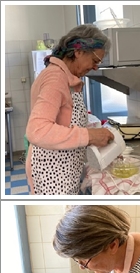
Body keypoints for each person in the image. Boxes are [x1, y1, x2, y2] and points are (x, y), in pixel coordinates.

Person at [26, 24, 115, 195]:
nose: (96, 67)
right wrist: (89, 136)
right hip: (53, 172)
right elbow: (37, 131)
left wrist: (96, 135)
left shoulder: (65, 77)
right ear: (78, 52)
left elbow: (64, 122)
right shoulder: (55, 78)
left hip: (63, 167)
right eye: (95, 60)